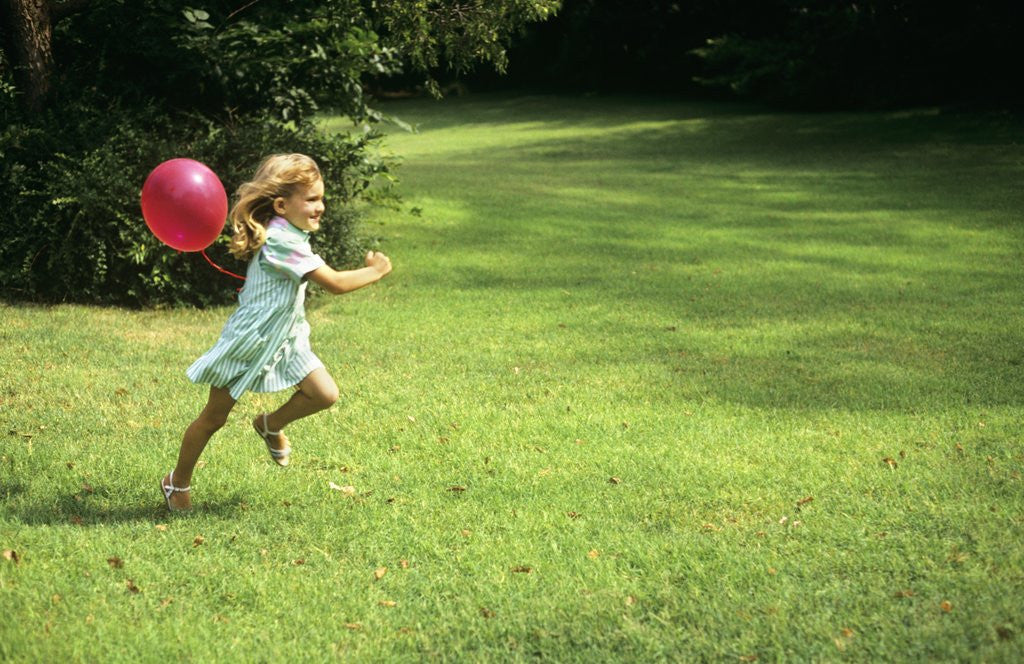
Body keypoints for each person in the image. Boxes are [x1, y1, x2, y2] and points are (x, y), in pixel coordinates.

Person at [160, 153, 392, 511]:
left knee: (324, 394)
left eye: (321, 198)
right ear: (282, 205)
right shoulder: (283, 240)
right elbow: (334, 283)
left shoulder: (292, 231)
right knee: (213, 418)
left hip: (285, 338)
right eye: (311, 199)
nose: (321, 207)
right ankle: (176, 483)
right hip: (250, 341)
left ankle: (270, 424)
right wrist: (375, 271)